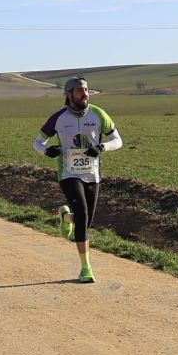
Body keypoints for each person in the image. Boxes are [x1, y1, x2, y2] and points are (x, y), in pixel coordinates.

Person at [34, 77, 122, 283]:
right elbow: (37, 142)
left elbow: (118, 140)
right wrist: (47, 151)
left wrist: (102, 147)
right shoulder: (58, 118)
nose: (85, 93)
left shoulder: (99, 114)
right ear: (69, 94)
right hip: (68, 174)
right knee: (82, 213)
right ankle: (86, 268)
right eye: (80, 90)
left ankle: (66, 217)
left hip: (93, 174)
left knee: (86, 220)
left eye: (86, 89)